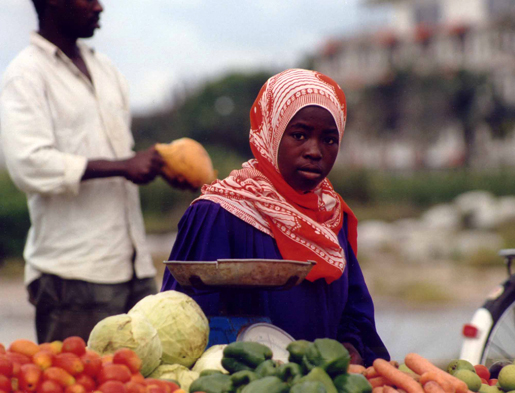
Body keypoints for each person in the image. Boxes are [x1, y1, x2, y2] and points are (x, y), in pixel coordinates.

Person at [161, 68, 390, 366]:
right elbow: (182, 320)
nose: (314, 151)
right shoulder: (219, 212)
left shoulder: (332, 216)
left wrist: (350, 348)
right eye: (299, 135)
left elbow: (354, 309)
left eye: (329, 140)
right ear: (270, 132)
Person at [0, 0, 167, 343]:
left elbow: (121, 157)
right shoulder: (25, 74)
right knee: (78, 381)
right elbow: (29, 164)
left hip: (134, 267)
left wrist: (153, 167)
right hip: (73, 277)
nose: (99, 6)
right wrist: (123, 166)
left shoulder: (104, 68)